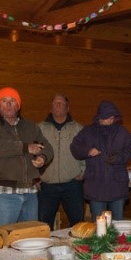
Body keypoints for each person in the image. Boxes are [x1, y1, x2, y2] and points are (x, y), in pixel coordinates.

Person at [0, 87, 53, 228]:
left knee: (30, 239)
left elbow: (48, 148)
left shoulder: (30, 126)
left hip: (31, 193)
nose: (8, 104)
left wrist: (42, 158)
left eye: (13, 100)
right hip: (5, 195)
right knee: (4, 239)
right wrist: (25, 147)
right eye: (4, 100)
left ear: (18, 105)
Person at [70, 100, 131, 219]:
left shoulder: (122, 132)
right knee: (99, 226)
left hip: (117, 186)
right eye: (107, 117)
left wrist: (119, 158)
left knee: (118, 226)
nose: (111, 120)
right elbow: (74, 147)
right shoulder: (88, 132)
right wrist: (88, 151)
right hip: (96, 186)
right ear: (100, 117)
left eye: (112, 117)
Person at [37, 94, 85, 229]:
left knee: (78, 224)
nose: (58, 105)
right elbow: (31, 155)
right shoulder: (39, 129)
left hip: (72, 184)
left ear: (67, 108)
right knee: (44, 225)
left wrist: (82, 172)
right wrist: (36, 176)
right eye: (55, 103)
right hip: (47, 185)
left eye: (61, 103)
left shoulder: (78, 129)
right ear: (50, 108)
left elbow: (87, 153)